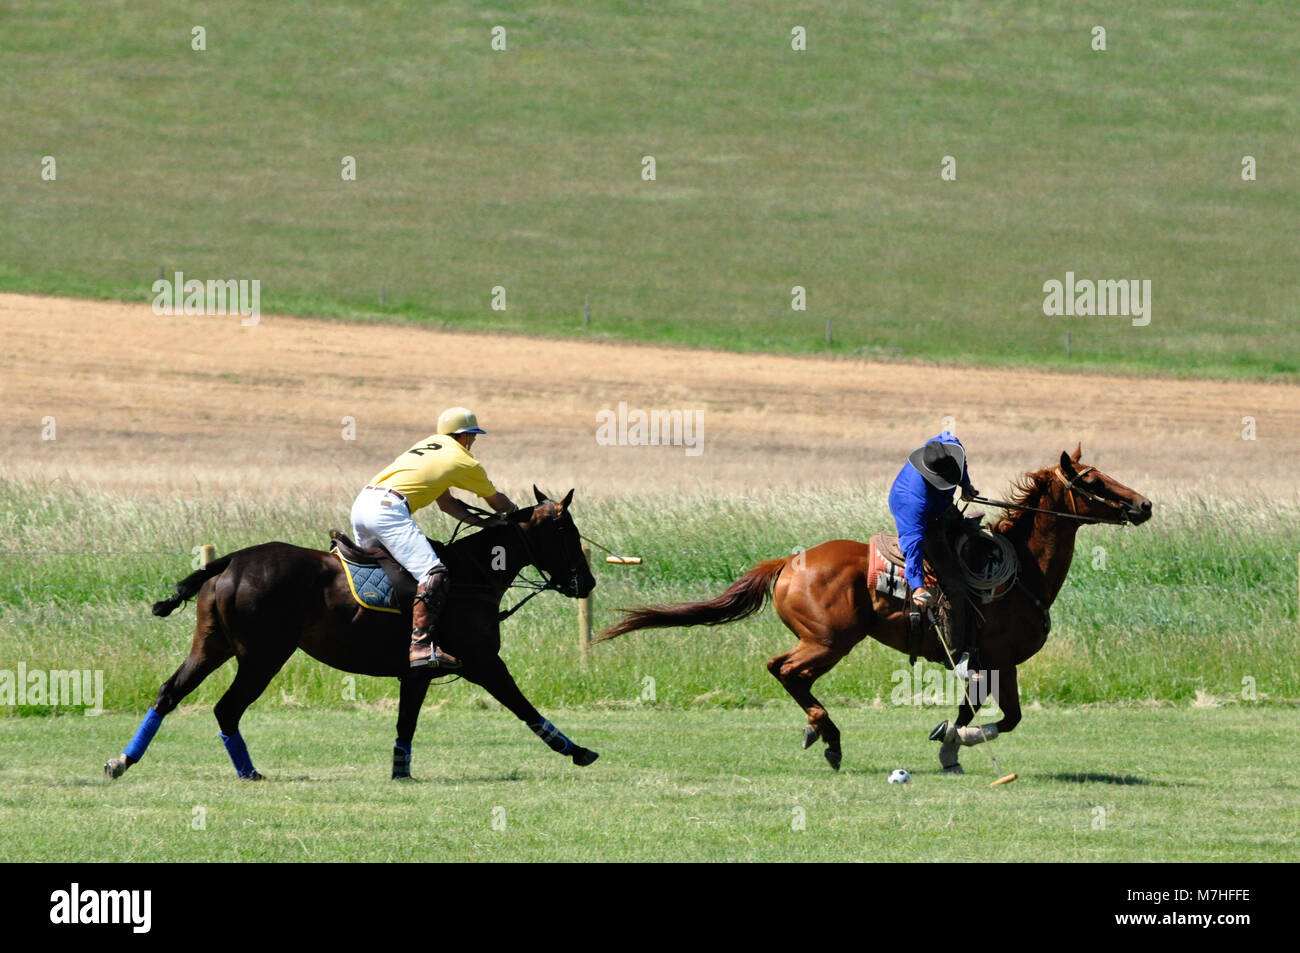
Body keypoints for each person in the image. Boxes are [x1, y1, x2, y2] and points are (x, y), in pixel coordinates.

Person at [351, 407, 518, 669]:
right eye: (472, 436)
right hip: (387, 512)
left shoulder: (429, 446)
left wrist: (483, 523)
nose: (473, 442)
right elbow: (498, 502)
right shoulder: (464, 461)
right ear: (463, 436)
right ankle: (419, 646)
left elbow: (447, 504)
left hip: (362, 505)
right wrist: (515, 514)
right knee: (434, 573)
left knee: (386, 575)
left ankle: (380, 633)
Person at [887, 431, 979, 678]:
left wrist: (965, 484)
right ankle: (957, 657)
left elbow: (959, 456)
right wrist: (916, 586)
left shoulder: (950, 448)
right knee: (955, 583)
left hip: (940, 505)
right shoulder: (912, 502)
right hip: (927, 521)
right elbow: (913, 544)